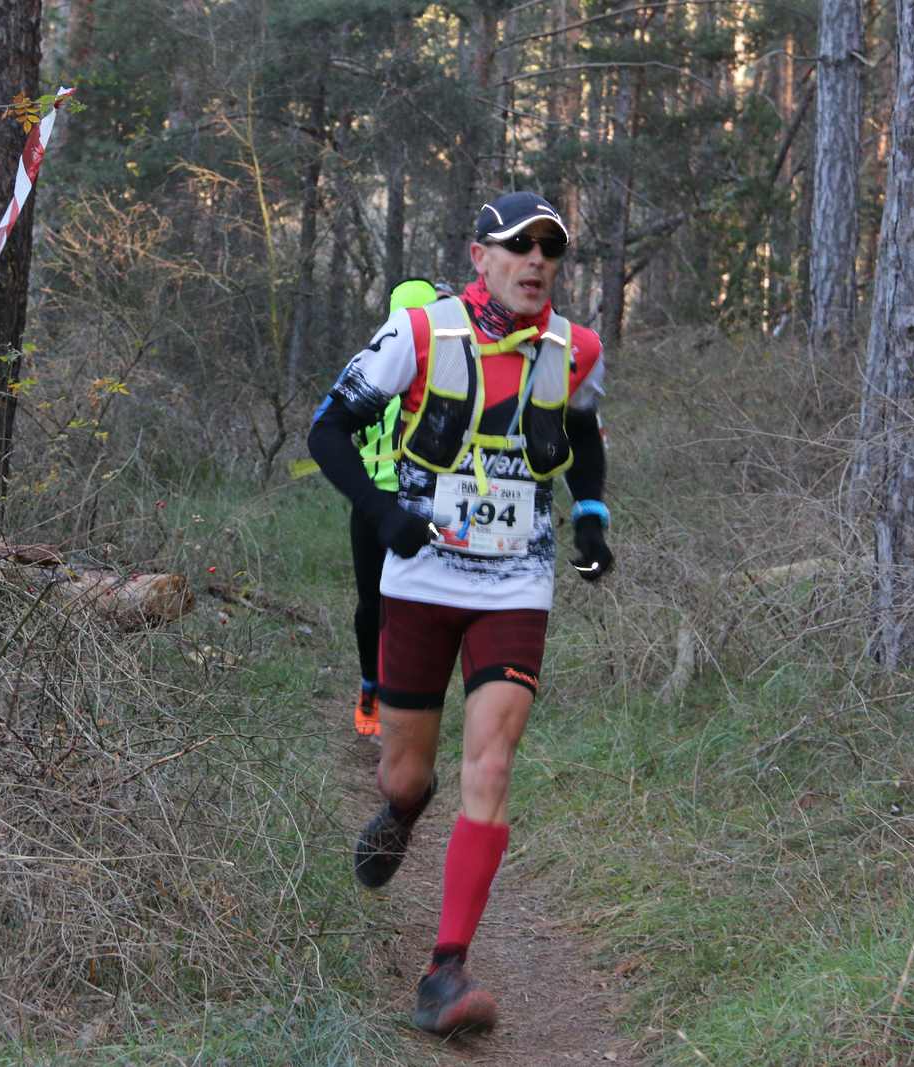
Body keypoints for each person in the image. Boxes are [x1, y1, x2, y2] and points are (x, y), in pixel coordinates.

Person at [306, 191, 613, 1035]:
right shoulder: (422, 334)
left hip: (516, 581)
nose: (536, 262)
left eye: (549, 249)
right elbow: (328, 429)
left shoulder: (575, 348)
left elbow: (582, 439)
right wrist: (384, 512)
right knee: (407, 770)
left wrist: (590, 516)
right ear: (479, 256)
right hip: (421, 576)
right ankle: (403, 807)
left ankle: (446, 970)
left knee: (494, 762)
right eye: (518, 247)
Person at [345, 278, 448, 740]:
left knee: (395, 604)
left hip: (401, 505)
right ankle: (375, 688)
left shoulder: (441, 371)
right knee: (382, 604)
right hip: (389, 505)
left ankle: (392, 696)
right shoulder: (379, 365)